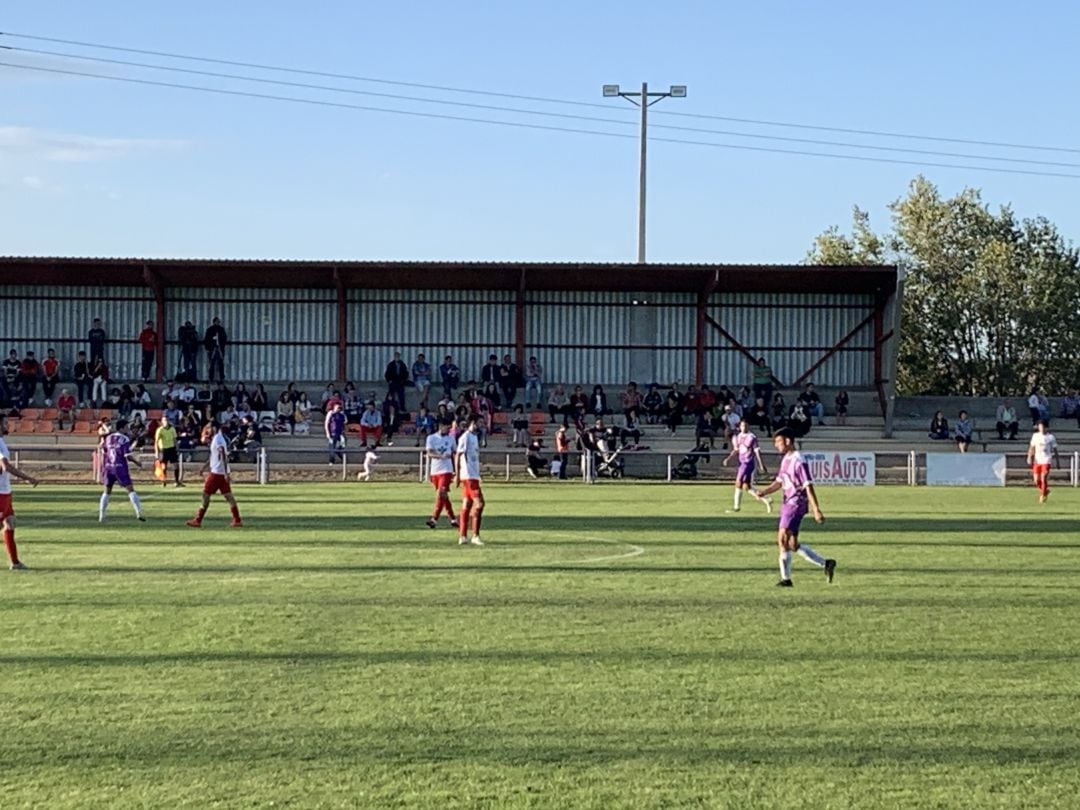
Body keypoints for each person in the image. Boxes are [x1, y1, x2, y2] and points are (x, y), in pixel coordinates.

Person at [751, 428, 835, 588]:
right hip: (788, 502)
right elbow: (780, 481)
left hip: (796, 503)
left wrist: (816, 509)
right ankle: (826, 564)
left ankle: (786, 579)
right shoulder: (786, 459)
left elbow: (808, 485)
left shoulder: (799, 460)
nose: (776, 445)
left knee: (781, 538)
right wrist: (765, 492)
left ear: (788, 441)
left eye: (778, 441)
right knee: (792, 544)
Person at [186, 421, 243, 527]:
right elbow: (214, 456)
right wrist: (204, 467)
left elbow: (222, 455)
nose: (208, 430)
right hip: (219, 472)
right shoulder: (218, 438)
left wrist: (226, 472)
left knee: (205, 495)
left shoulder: (218, 439)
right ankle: (237, 519)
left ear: (214, 428)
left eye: (209, 428)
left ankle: (198, 520)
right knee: (229, 496)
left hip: (217, 473)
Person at [1, 417, 40, 570]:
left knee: (10, 523)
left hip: (6, 491)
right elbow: (5, 466)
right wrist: (27, 478)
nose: (7, 425)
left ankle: (15, 562)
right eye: (4, 423)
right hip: (0, 494)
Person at [98, 419, 146, 522]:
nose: (128, 429)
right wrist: (137, 462)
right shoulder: (124, 439)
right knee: (130, 490)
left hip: (108, 467)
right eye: (126, 427)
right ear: (122, 428)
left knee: (107, 491)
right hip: (120, 467)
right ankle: (139, 512)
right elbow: (127, 456)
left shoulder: (108, 438)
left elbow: (103, 450)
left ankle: (101, 516)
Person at [724, 419, 772, 513]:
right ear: (740, 427)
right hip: (742, 463)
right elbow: (737, 450)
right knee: (747, 486)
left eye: (745, 426)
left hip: (748, 463)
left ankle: (736, 507)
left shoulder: (752, 437)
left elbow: (757, 452)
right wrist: (728, 458)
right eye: (742, 426)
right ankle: (766, 499)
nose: (743, 428)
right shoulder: (738, 436)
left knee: (738, 483)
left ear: (748, 426)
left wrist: (761, 465)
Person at [454, 415, 485, 546]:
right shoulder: (465, 437)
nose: (482, 424)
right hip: (468, 476)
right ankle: (475, 535)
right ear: (473, 422)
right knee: (480, 504)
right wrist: (457, 474)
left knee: (466, 506)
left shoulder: (474, 437)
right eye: (480, 422)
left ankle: (462, 536)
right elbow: (458, 455)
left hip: (473, 476)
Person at [424, 418, 458, 529]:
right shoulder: (431, 438)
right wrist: (440, 456)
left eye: (449, 427)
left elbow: (455, 452)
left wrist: (457, 469)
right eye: (446, 427)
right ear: (440, 426)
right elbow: (429, 452)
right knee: (444, 496)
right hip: (435, 471)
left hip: (446, 470)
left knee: (441, 493)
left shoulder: (451, 438)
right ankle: (453, 519)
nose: (448, 429)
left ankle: (434, 519)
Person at [1027, 419, 1058, 504]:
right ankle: (1045, 491)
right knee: (1036, 480)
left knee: (1043, 478)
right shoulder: (1035, 436)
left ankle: (1042, 496)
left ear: (1046, 428)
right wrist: (1029, 457)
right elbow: (1032, 447)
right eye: (1040, 427)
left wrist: (1057, 461)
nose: (1042, 428)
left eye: (1043, 427)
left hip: (1046, 460)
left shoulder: (1050, 437)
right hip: (1037, 460)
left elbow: (1055, 449)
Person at [155, 413, 183, 487]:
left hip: (172, 448)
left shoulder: (172, 429)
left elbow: (175, 440)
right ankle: (164, 481)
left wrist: (177, 448)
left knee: (175, 465)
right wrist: (157, 452)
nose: (166, 421)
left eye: (167, 420)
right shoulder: (160, 430)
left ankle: (176, 481)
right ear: (162, 421)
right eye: (164, 420)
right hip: (164, 449)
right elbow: (156, 442)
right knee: (164, 466)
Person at [204, 317, 228, 384]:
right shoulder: (210, 330)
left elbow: (224, 339)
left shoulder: (221, 329)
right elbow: (206, 340)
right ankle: (211, 378)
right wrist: (208, 348)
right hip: (212, 349)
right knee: (212, 363)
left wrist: (221, 344)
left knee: (221, 363)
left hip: (219, 348)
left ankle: (221, 378)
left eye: (218, 321)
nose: (218, 323)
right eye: (216, 321)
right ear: (214, 322)